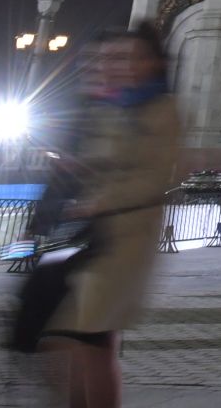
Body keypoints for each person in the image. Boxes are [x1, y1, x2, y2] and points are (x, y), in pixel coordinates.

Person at [41, 23, 181, 407]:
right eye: (110, 58)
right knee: (77, 339)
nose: (115, 65)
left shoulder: (158, 108)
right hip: (93, 235)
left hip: (123, 237)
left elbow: (156, 175)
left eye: (128, 57)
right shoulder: (110, 103)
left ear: (152, 62)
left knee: (88, 339)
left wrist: (98, 196)